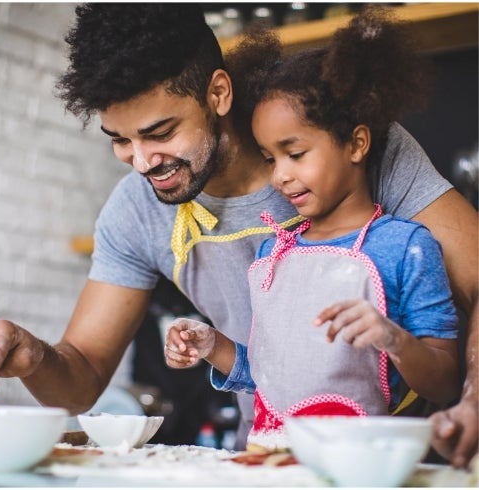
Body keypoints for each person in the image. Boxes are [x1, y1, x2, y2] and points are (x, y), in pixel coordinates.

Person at [0, 4, 477, 466]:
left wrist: (473, 398)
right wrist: (34, 356)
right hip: (269, 453)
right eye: (120, 140)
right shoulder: (134, 212)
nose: (141, 162)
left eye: (160, 133)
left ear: (218, 93)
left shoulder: (338, 147)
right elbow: (83, 375)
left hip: (407, 456)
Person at [164, 7, 461, 450]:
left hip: (356, 465)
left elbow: (444, 382)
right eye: (270, 158)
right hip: (268, 458)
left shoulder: (404, 246)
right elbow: (265, 375)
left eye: (295, 153)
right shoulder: (273, 253)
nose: (280, 175)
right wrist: (211, 344)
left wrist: (392, 339)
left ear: (357, 143)